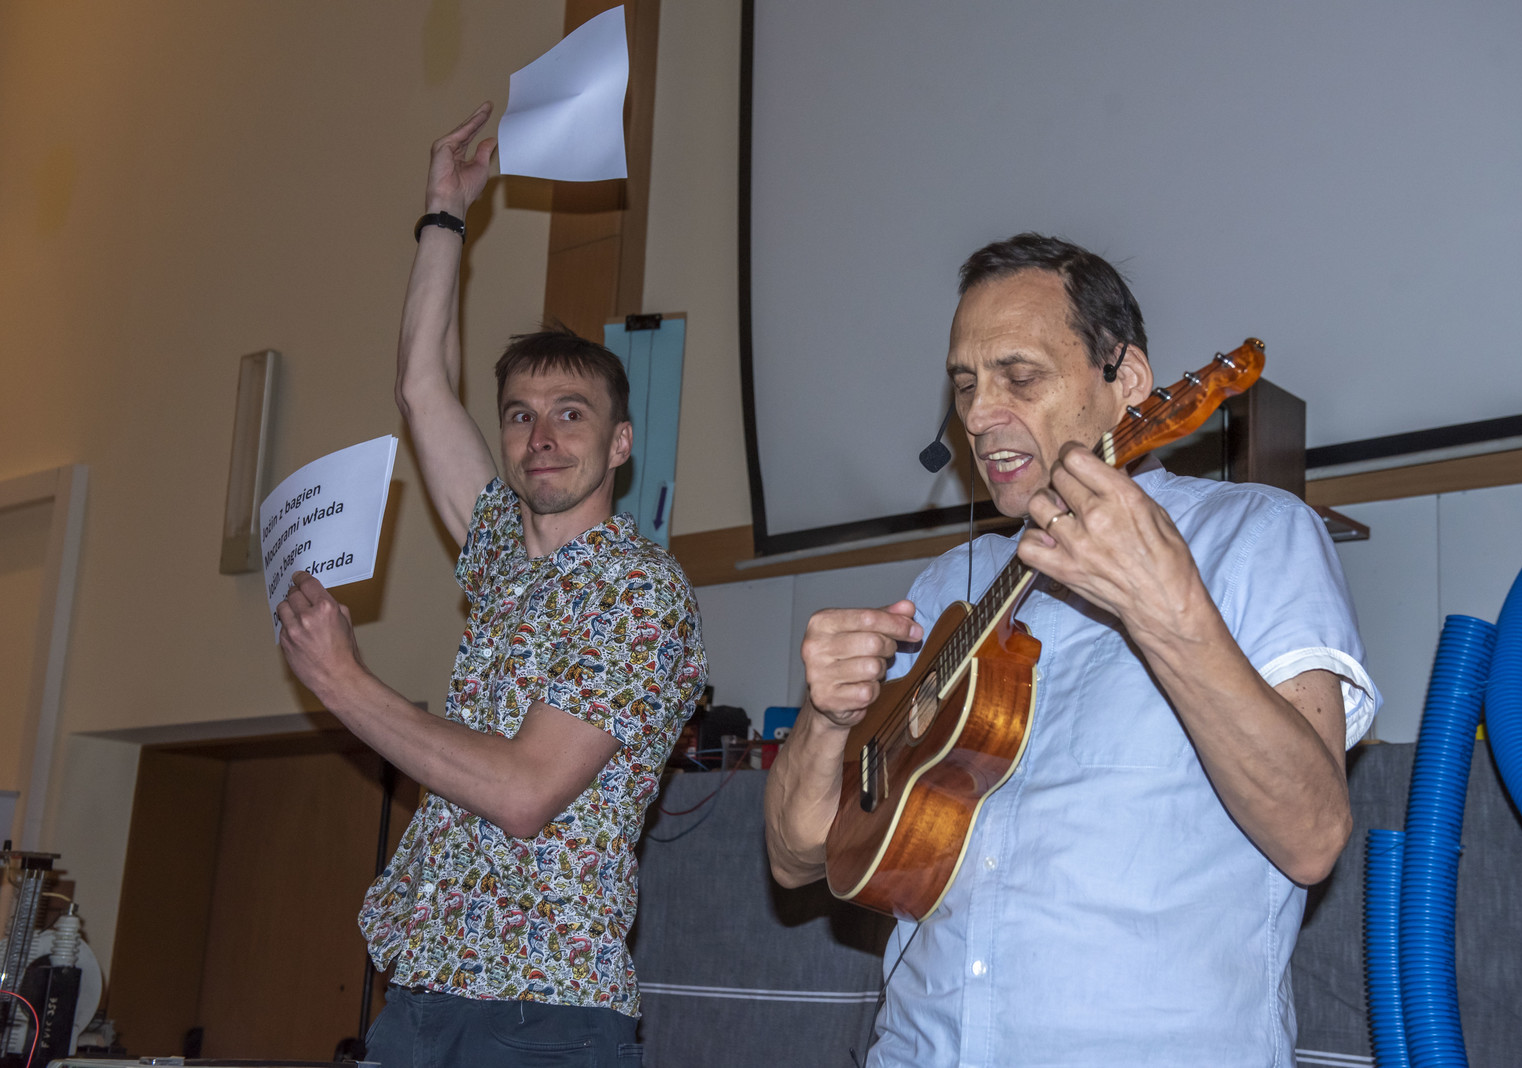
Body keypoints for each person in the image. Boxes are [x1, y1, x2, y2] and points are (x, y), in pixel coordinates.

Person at [763, 233, 1377, 1066]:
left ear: (1127, 381)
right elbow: (797, 856)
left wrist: (1168, 615)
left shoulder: (1255, 536)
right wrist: (827, 718)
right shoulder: (943, 587)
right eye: (966, 385)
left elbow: (1313, 835)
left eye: (1019, 377)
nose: (979, 416)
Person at [275, 103, 706, 1067]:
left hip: (541, 1012)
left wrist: (342, 680)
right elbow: (421, 386)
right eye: (519, 416)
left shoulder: (640, 593)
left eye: (570, 414)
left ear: (620, 445)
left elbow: (523, 793)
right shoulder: (503, 554)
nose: (540, 435)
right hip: (423, 994)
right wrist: (444, 214)